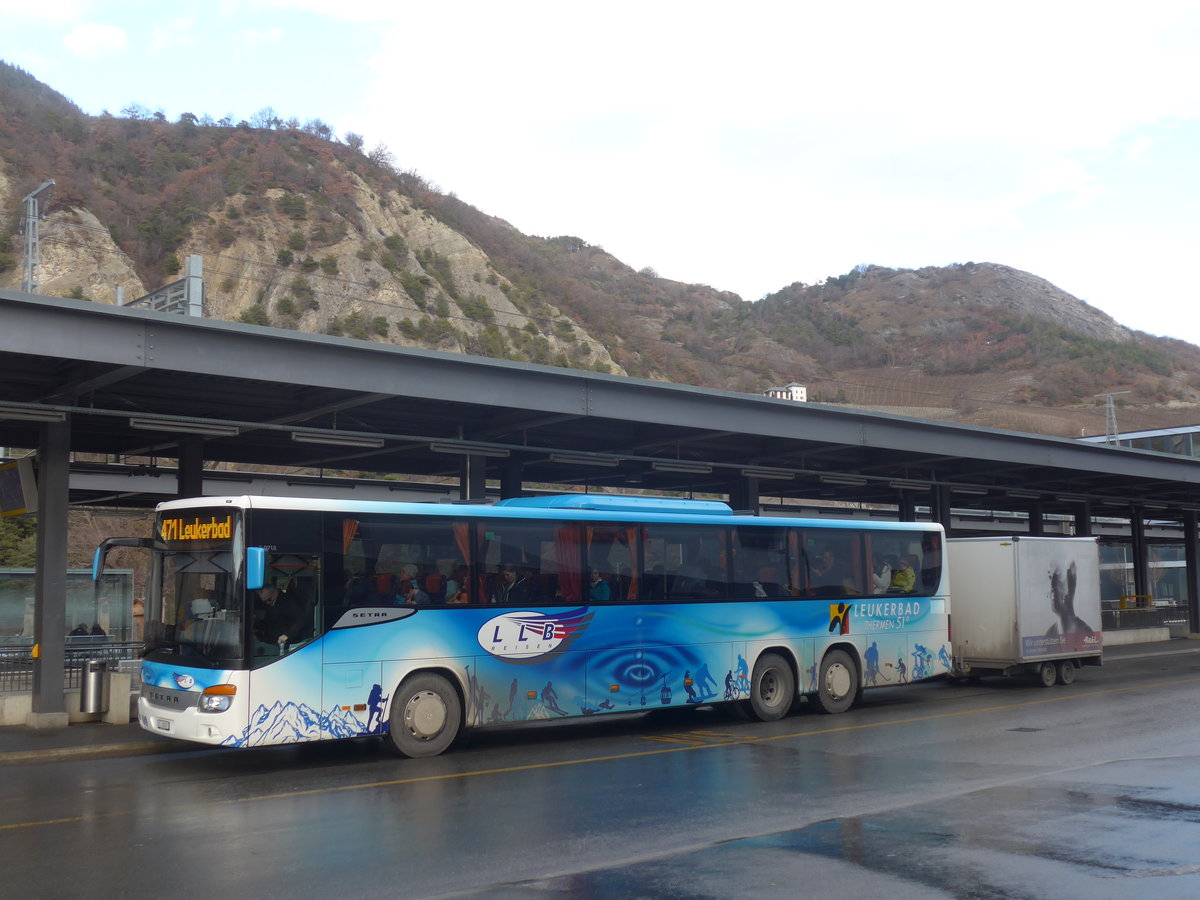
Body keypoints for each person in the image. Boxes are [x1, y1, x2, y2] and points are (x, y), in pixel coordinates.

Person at [254, 584, 307, 649]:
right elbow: (268, 622)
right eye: (265, 602)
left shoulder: (287, 602)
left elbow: (301, 619)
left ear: (273, 591)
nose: (267, 603)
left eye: (269, 600)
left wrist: (287, 635)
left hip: (284, 645)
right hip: (270, 642)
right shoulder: (270, 604)